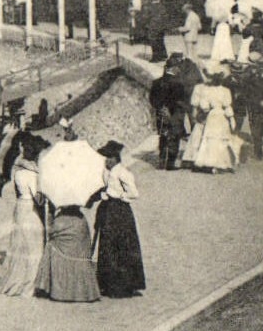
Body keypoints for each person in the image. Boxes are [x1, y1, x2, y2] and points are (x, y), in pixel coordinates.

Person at [94, 142, 146, 298]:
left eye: (109, 158)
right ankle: (108, 284)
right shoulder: (106, 172)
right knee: (108, 244)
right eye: (105, 158)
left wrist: (119, 196)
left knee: (122, 244)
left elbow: (134, 193)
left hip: (121, 211)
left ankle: (125, 285)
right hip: (108, 210)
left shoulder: (123, 173)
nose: (106, 161)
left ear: (116, 158)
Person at [0, 157, 44, 297]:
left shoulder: (18, 172)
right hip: (30, 209)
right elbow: (38, 200)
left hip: (20, 207)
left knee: (20, 243)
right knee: (34, 246)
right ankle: (30, 284)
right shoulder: (34, 174)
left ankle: (15, 280)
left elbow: (18, 193)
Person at [35, 203, 101, 304]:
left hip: (62, 248)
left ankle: (51, 286)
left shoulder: (59, 220)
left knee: (50, 245)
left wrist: (50, 214)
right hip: (80, 254)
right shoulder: (81, 220)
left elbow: (50, 233)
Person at [186, 65, 241, 173]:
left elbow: (204, 105)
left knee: (210, 138)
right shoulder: (226, 91)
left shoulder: (207, 91)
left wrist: (205, 111)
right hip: (222, 116)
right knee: (221, 138)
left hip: (212, 116)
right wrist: (231, 118)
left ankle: (208, 162)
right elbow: (228, 107)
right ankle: (222, 162)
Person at [150, 56, 192, 170]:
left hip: (161, 114)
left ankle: (161, 161)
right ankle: (170, 163)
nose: (179, 69)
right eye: (178, 67)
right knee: (174, 137)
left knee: (163, 136)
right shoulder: (178, 83)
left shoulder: (156, 82)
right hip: (175, 114)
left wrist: (161, 108)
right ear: (174, 68)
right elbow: (181, 100)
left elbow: (152, 99)